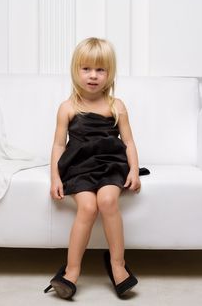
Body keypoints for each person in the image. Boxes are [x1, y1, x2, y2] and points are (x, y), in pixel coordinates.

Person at [44, 37, 149, 299]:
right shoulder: (67, 108)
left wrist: (134, 170)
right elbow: (58, 146)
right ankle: (70, 271)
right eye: (86, 69)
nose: (93, 76)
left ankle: (118, 265)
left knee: (107, 201)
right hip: (79, 166)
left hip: (110, 164)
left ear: (109, 73)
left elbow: (128, 142)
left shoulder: (117, 106)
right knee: (88, 207)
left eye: (100, 70)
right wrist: (55, 177)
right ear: (75, 70)